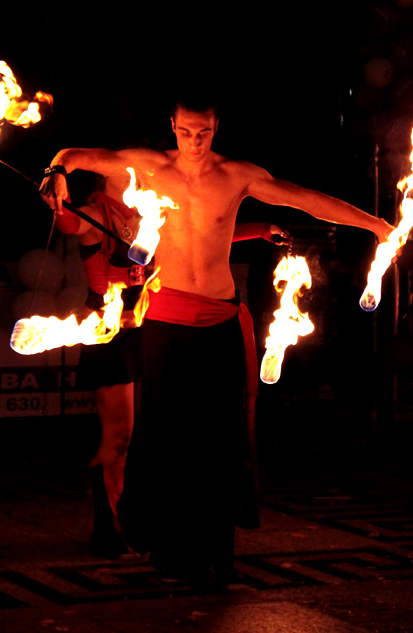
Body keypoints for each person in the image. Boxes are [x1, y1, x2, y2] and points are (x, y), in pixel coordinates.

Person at [40, 91, 394, 584]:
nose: (194, 141)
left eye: (203, 132)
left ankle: (216, 552)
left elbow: (304, 198)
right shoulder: (148, 168)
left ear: (216, 127)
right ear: (172, 125)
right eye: (186, 131)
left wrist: (374, 225)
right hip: (165, 318)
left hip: (219, 318)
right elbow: (76, 155)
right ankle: (169, 549)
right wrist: (56, 171)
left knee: (219, 441)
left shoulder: (236, 175)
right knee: (166, 438)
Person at [56, 172, 290, 560]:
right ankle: (116, 525)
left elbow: (203, 239)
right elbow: (69, 224)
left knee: (153, 434)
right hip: (109, 333)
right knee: (120, 437)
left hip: (152, 327)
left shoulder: (149, 212)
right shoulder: (95, 214)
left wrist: (262, 229)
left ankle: (129, 520)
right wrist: (57, 199)